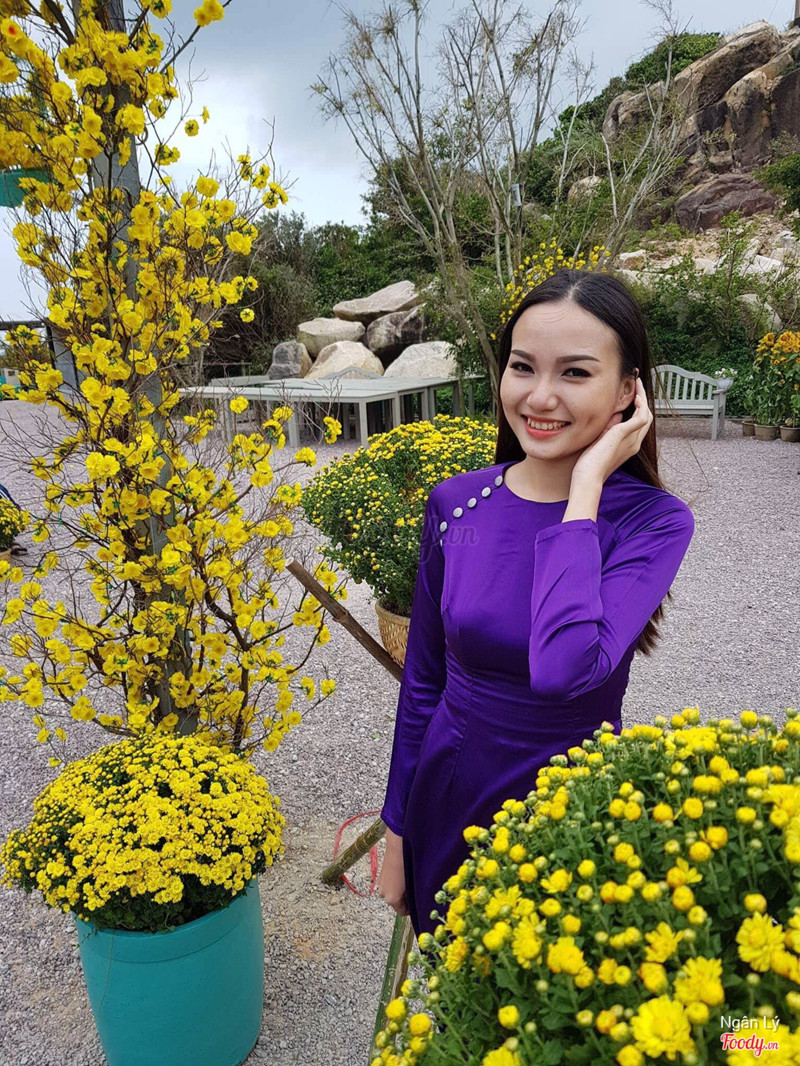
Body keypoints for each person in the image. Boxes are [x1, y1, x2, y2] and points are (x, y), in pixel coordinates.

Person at [376, 268, 696, 938]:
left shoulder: (653, 522)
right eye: (523, 367)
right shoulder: (456, 504)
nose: (540, 396)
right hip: (448, 794)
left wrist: (585, 490)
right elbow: (424, 681)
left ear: (628, 392)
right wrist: (398, 829)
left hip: (570, 814)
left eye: (575, 373)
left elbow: (562, 669)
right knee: (447, 975)